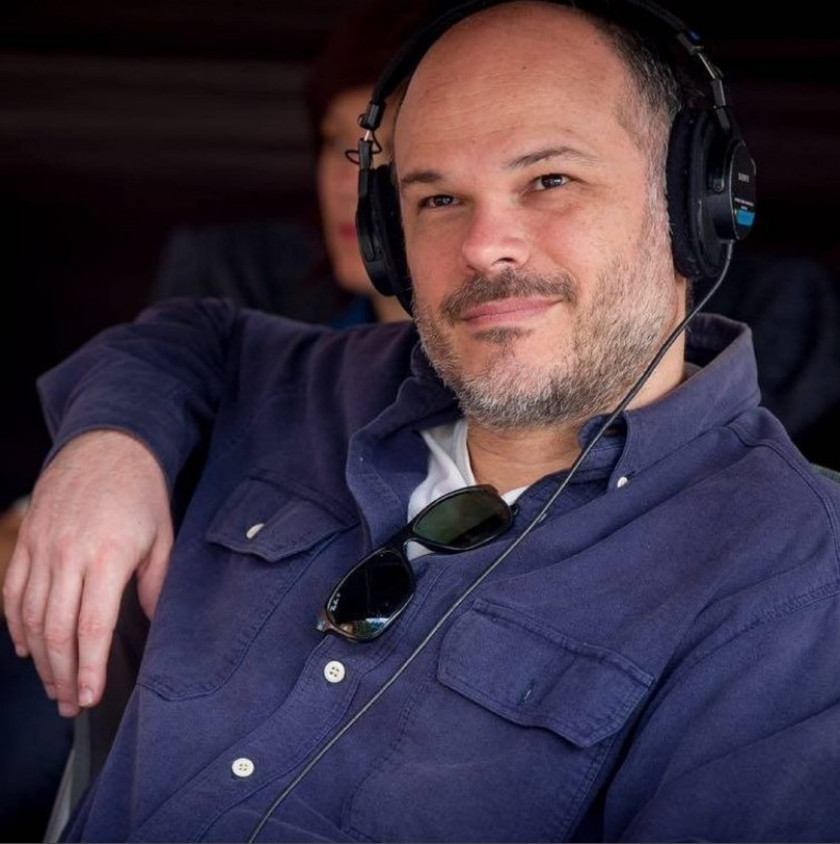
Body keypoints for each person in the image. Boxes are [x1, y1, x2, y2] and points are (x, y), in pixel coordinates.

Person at [5, 0, 840, 840]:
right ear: (386, 237)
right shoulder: (320, 384)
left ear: (696, 204)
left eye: (549, 181)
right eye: (438, 198)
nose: (483, 245)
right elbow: (188, 337)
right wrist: (108, 449)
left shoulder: (787, 578)